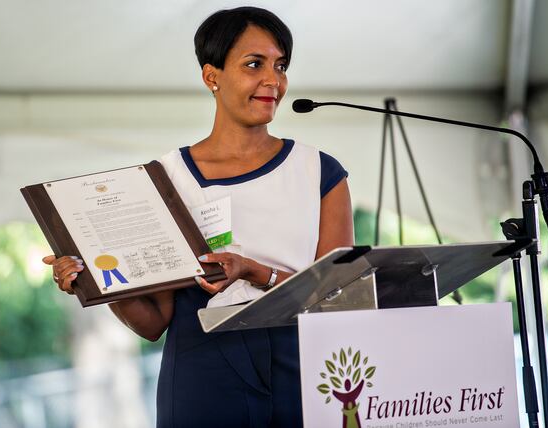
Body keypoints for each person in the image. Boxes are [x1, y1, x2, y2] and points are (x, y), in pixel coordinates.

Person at [43, 6, 353, 427]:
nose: (273, 81)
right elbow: (154, 323)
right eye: (253, 64)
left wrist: (254, 271)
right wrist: (92, 278)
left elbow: (344, 300)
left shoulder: (320, 172)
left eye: (280, 66)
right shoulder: (164, 178)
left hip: (302, 367)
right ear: (212, 76)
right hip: (202, 371)